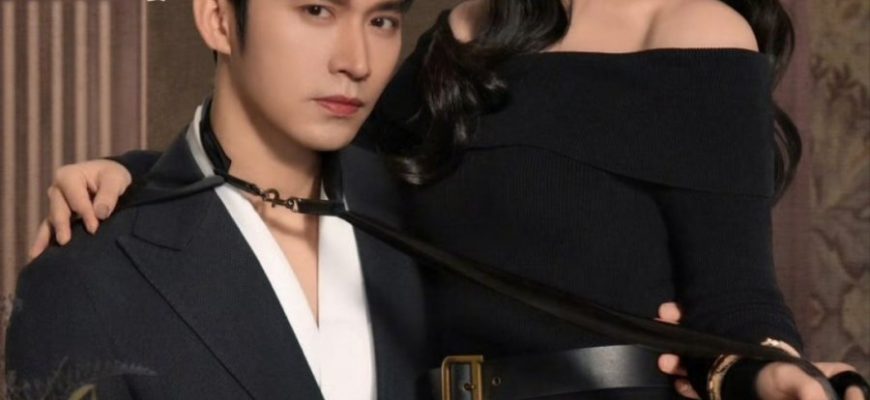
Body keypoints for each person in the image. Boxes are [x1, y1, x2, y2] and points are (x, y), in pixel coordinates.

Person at [26, 0, 865, 399]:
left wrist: (774, 376)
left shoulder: (696, 30)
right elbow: (310, 160)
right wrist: (142, 177)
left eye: (376, 21)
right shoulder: (462, 37)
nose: (358, 52)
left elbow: (736, 298)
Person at [5, 0, 437, 398]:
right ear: (219, 19)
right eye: (317, 11)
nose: (357, 63)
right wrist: (150, 185)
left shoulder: (420, 214)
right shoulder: (83, 281)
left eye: (382, 21)